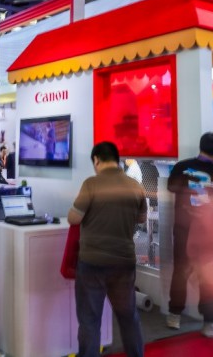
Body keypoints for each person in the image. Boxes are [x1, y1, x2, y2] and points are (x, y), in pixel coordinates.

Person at [67, 141, 147, 357]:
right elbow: (141, 219)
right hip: (124, 262)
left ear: (96, 160)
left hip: (92, 262)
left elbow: (74, 218)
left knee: (89, 320)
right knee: (128, 317)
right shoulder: (135, 186)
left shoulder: (91, 184)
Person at [166, 132, 213, 336]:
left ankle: (174, 315)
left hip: (184, 229)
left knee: (181, 271)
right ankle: (209, 321)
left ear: (200, 145)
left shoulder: (181, 167)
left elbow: (171, 187)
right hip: (211, 232)